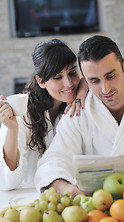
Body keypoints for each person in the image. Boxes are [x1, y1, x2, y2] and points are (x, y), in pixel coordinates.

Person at [34, 35, 124, 209]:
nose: (105, 89)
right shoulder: (78, 111)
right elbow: (54, 159)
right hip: (98, 211)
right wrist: (65, 187)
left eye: (110, 76)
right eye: (94, 81)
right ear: (85, 79)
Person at [0, 38, 88, 190]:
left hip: (70, 193)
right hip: (29, 197)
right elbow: (8, 182)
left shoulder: (79, 103)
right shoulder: (23, 111)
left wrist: (83, 89)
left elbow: (99, 76)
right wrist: (12, 129)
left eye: (72, 73)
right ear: (41, 81)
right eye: (57, 77)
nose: (69, 83)